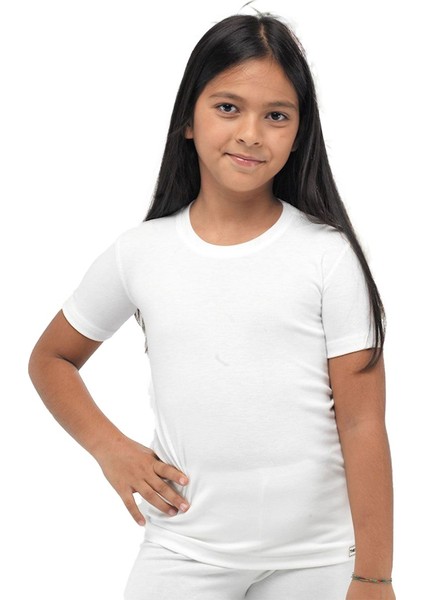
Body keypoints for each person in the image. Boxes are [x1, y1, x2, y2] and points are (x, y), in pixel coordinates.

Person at [28, 12, 396, 600]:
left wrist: (374, 577)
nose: (251, 133)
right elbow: (51, 358)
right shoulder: (140, 253)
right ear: (188, 120)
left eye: (276, 115)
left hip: (317, 558)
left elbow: (362, 423)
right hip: (184, 550)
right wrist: (110, 448)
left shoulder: (327, 256)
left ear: (299, 132)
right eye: (228, 107)